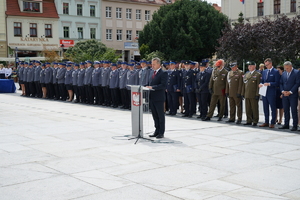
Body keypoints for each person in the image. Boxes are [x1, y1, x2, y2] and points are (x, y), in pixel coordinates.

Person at [146, 57, 168, 139]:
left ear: (159, 64)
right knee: (154, 115)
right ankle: (156, 130)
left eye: (154, 64)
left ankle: (161, 132)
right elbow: (150, 83)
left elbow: (163, 85)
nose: (152, 65)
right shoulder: (152, 72)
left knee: (160, 115)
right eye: (152, 64)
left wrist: (152, 87)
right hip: (152, 97)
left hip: (159, 97)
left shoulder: (163, 73)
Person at [259, 58, 280, 128]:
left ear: (271, 64)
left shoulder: (276, 71)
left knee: (273, 108)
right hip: (264, 92)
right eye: (265, 65)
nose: (266, 66)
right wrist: (260, 84)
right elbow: (262, 80)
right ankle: (266, 121)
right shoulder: (264, 71)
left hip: (271, 92)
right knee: (265, 107)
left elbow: (277, 83)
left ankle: (272, 122)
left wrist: (269, 84)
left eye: (267, 65)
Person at [279, 61, 300, 131]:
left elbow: (297, 83)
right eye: (285, 68)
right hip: (284, 95)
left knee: (294, 110)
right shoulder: (284, 73)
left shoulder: (297, 73)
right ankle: (286, 124)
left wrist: (290, 92)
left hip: (293, 95)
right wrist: (282, 91)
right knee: (286, 110)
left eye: (287, 68)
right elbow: (281, 83)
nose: (286, 70)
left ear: (291, 66)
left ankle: (294, 125)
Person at [242, 61, 261, 126]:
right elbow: (244, 85)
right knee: (248, 108)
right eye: (248, 66)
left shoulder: (257, 74)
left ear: (254, 66)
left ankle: (255, 121)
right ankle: (249, 120)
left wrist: (257, 94)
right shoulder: (246, 74)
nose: (249, 67)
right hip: (247, 94)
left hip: (253, 94)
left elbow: (258, 85)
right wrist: (243, 93)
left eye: (251, 66)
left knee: (254, 108)